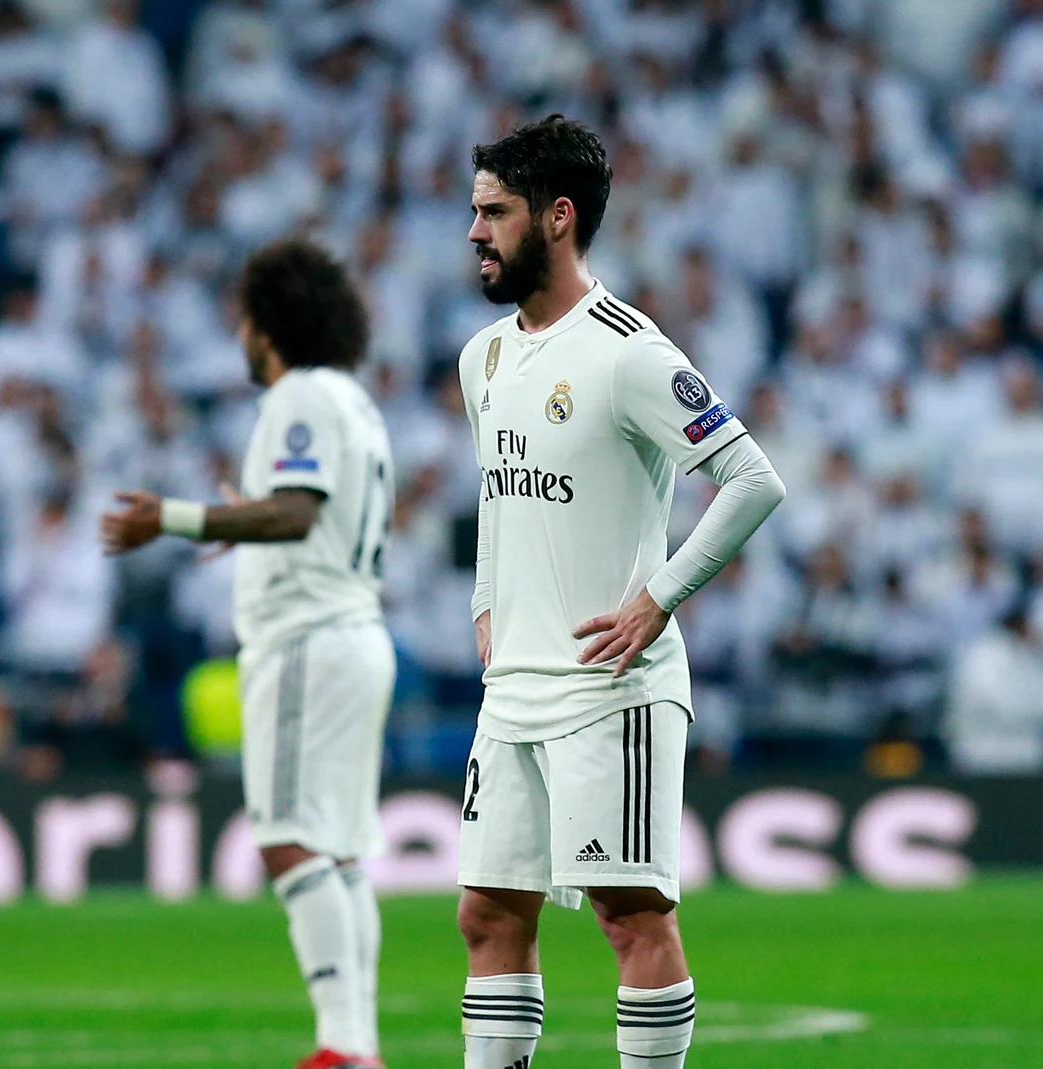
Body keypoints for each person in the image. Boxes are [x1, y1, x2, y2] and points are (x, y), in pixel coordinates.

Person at [452, 117, 786, 1069]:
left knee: (631, 919)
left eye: (495, 212)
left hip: (611, 687)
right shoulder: (482, 359)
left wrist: (661, 596)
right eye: (474, 211)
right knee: (487, 913)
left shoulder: (630, 351)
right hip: (512, 685)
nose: (475, 231)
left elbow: (752, 479)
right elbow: (496, 490)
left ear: (557, 218)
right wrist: (486, 600)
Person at [101, 239, 395, 1069]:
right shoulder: (354, 402)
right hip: (351, 634)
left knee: (291, 840)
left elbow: (297, 512)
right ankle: (355, 1040)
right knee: (335, 848)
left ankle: (344, 1044)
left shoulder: (301, 395)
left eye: (245, 316)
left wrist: (179, 518)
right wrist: (247, 526)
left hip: (309, 642)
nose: (239, 332)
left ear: (270, 323)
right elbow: (305, 518)